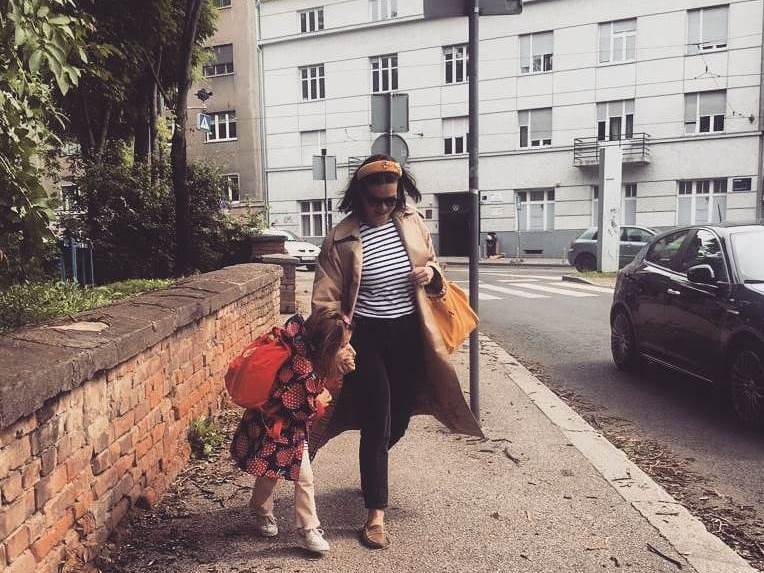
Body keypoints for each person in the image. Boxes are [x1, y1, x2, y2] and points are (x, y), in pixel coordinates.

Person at [310, 154, 483, 550]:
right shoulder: (341, 238)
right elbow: (325, 299)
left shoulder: (412, 222)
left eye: (391, 200)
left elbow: (435, 269)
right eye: (376, 201)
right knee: (379, 416)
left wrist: (432, 275)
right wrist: (338, 340)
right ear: (360, 196)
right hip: (365, 337)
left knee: (399, 418)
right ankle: (375, 514)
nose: (384, 208)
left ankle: (374, 464)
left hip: (408, 333)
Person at [230, 309, 354, 555]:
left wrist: (335, 369)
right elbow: (301, 410)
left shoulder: (305, 350)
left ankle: (309, 528)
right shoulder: (302, 370)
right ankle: (261, 509)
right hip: (277, 431)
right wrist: (322, 399)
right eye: (343, 346)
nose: (349, 350)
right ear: (326, 348)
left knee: (304, 478)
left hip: (292, 433)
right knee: (269, 476)